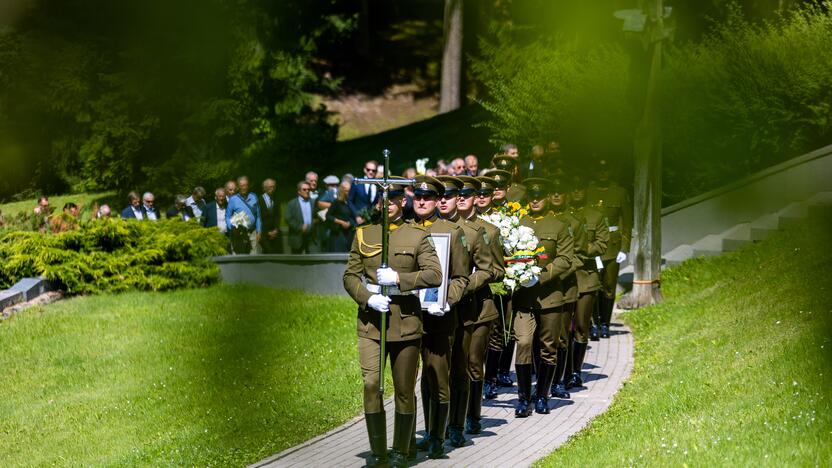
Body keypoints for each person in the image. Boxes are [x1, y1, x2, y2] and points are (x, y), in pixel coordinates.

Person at [342, 179, 442, 468]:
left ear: (403, 203)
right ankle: (378, 453)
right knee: (372, 384)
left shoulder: (416, 235)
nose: (389, 205)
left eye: (395, 200)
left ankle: (401, 451)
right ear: (378, 204)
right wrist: (366, 297)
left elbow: (434, 274)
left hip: (406, 321)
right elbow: (350, 275)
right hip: (372, 322)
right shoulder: (364, 234)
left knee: (403, 389)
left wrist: (400, 280)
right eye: (384, 200)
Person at [410, 175, 469, 459]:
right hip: (409, 316)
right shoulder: (404, 231)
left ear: (437, 201)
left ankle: (438, 436)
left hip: (439, 316)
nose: (422, 202)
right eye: (418, 197)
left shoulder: (452, 232)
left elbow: (460, 278)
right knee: (420, 379)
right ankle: (425, 430)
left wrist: (447, 299)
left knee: (438, 376)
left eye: (428, 198)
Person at [435, 175, 493, 448]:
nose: (447, 200)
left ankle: (457, 425)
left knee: (460, 368)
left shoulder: (473, 232)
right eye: (443, 196)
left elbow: (487, 269)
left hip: (465, 310)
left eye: (453, 195)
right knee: (436, 370)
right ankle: (435, 428)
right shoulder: (427, 229)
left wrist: (464, 286)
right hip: (432, 311)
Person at [512, 178, 576, 417]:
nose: (535, 200)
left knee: (548, 348)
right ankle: (523, 398)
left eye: (540, 196)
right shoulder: (518, 224)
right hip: (524, 297)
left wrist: (540, 276)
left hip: (550, 296)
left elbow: (565, 259)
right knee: (525, 343)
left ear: (548, 198)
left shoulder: (559, 226)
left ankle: (542, 396)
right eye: (532, 196)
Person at [456, 176, 505, 435]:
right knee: (456, 363)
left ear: (476, 198)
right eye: (458, 194)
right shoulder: (443, 228)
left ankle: (473, 416)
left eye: (466, 194)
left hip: (479, 309)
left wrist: (471, 280)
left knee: (473, 361)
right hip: (451, 309)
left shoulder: (489, 231)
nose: (461, 198)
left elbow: (498, 270)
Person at [565, 173, 608, 389]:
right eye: (572, 189)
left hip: (585, 277)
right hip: (564, 278)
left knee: (581, 326)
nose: (576, 192)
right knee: (563, 329)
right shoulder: (560, 216)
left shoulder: (595, 216)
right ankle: (561, 371)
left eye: (580, 188)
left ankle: (575, 371)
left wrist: (581, 250)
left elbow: (602, 244)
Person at [547, 178, 585, 400]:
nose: (556, 196)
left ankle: (560, 380)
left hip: (564, 286)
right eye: (552, 192)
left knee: (561, 336)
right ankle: (543, 380)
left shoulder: (574, 223)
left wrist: (556, 271)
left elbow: (579, 255)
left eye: (560, 192)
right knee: (541, 339)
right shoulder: (538, 223)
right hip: (541, 287)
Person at [585, 158, 632, 338]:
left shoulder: (619, 193)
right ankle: (593, 323)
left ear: (611, 172)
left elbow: (627, 222)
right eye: (599, 170)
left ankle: (605, 323)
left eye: (606, 170)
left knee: (609, 287)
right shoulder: (589, 192)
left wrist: (625, 247)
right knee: (592, 285)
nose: (602, 173)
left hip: (612, 246)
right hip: (593, 244)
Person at [226, 176, 261, 254]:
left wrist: (259, 230)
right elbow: (227, 217)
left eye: (246, 185)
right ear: (238, 187)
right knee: (240, 257)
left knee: (253, 258)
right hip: (239, 234)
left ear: (248, 186)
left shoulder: (254, 197)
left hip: (252, 232)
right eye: (242, 186)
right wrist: (232, 228)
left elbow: (258, 215)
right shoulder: (233, 199)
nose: (244, 188)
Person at [325, 181, 356, 252]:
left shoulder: (350, 203)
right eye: (346, 191)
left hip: (348, 233)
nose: (349, 193)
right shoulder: (337, 202)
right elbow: (328, 216)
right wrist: (341, 222)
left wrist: (350, 223)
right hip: (338, 233)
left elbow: (353, 217)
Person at [285, 180, 314, 254]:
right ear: (299, 191)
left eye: (308, 189)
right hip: (297, 236)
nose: (307, 191)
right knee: (295, 263)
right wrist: (300, 227)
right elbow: (288, 218)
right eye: (304, 189)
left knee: (313, 262)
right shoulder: (292, 203)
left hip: (311, 238)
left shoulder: (313, 202)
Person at [347, 160, 380, 226]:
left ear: (376, 171)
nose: (370, 172)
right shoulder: (357, 182)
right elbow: (349, 200)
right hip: (356, 220)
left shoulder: (378, 184)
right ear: (365, 170)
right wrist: (356, 215)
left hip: (372, 220)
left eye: (373, 170)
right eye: (368, 170)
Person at [258, 178, 283, 254]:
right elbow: (259, 218)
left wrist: (276, 230)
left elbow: (278, 216)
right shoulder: (260, 200)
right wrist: (267, 232)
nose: (272, 189)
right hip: (264, 234)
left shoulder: (276, 199)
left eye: (273, 186)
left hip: (275, 233)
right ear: (265, 188)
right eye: (270, 187)